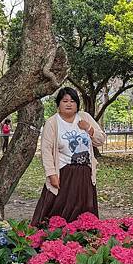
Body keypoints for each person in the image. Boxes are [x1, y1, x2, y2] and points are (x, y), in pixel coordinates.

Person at [31, 87, 106, 226]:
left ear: (77, 104)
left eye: (72, 101)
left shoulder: (85, 118)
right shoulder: (52, 122)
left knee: (84, 207)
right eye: (65, 101)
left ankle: (82, 237)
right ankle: (53, 237)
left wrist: (89, 128)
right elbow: (46, 150)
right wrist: (51, 174)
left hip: (85, 173)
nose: (69, 104)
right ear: (58, 104)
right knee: (58, 206)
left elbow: (100, 140)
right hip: (63, 173)